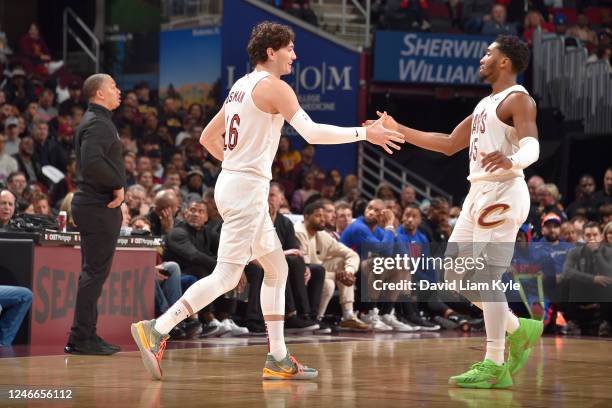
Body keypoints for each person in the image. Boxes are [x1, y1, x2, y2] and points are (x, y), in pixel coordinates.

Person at [130, 21, 402, 381]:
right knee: (227, 275)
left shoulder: (240, 87)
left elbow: (208, 138)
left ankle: (277, 358)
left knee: (277, 269)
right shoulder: (275, 87)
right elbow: (313, 134)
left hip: (234, 183)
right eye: (289, 48)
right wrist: (366, 133)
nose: (295, 54)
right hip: (245, 188)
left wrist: (236, 166)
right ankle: (157, 328)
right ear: (271, 52)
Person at [367, 35, 542, 388]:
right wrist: (398, 129)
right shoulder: (484, 104)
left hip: (504, 190)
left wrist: (512, 159)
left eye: (488, 53)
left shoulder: (518, 99)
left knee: (486, 277)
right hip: (478, 192)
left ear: (505, 61)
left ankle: (495, 362)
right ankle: (518, 328)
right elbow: (448, 143)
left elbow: (532, 146)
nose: (482, 58)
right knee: (454, 278)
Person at [64, 74, 124, 356]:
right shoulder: (99, 123)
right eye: (113, 86)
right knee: (93, 274)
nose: (118, 90)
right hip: (97, 205)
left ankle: (86, 333)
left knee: (92, 274)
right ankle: (80, 338)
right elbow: (91, 164)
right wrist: (118, 184)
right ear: (99, 93)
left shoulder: (97, 120)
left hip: (92, 204)